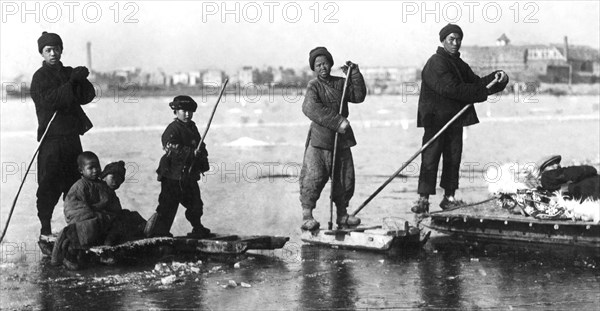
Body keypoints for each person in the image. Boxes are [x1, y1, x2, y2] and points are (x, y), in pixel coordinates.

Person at [411, 24, 509, 213]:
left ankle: (449, 197)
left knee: (453, 158)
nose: (456, 43)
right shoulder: (436, 62)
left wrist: (497, 79)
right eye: (451, 39)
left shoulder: (459, 64)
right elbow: (452, 89)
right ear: (443, 41)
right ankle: (423, 199)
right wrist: (481, 91)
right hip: (436, 120)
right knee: (430, 159)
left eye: (458, 39)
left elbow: (477, 83)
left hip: (454, 119)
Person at [30, 31, 96, 237]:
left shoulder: (68, 72)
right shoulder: (39, 77)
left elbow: (87, 96)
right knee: (49, 184)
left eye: (56, 49)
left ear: (61, 50)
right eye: (48, 50)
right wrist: (71, 83)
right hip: (51, 140)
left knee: (74, 184)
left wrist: (82, 80)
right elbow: (51, 100)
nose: (53, 53)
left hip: (71, 139)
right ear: (42, 53)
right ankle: (45, 228)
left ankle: (76, 228)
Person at [299, 47, 367, 231]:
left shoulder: (341, 83)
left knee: (344, 177)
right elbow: (309, 108)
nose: (323, 67)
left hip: (342, 140)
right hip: (320, 140)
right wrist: (337, 122)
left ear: (331, 64)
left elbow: (359, 96)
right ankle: (307, 215)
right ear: (314, 68)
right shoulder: (314, 86)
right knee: (314, 176)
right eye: (318, 65)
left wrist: (355, 75)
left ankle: (342, 215)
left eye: (325, 63)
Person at [145, 95, 211, 238]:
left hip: (188, 175)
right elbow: (170, 147)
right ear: (175, 111)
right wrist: (191, 152)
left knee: (195, 204)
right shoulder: (172, 129)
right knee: (168, 205)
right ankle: (160, 233)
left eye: (190, 111)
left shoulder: (192, 127)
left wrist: (201, 154)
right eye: (183, 111)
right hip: (172, 175)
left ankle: (197, 227)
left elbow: (200, 144)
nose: (187, 114)